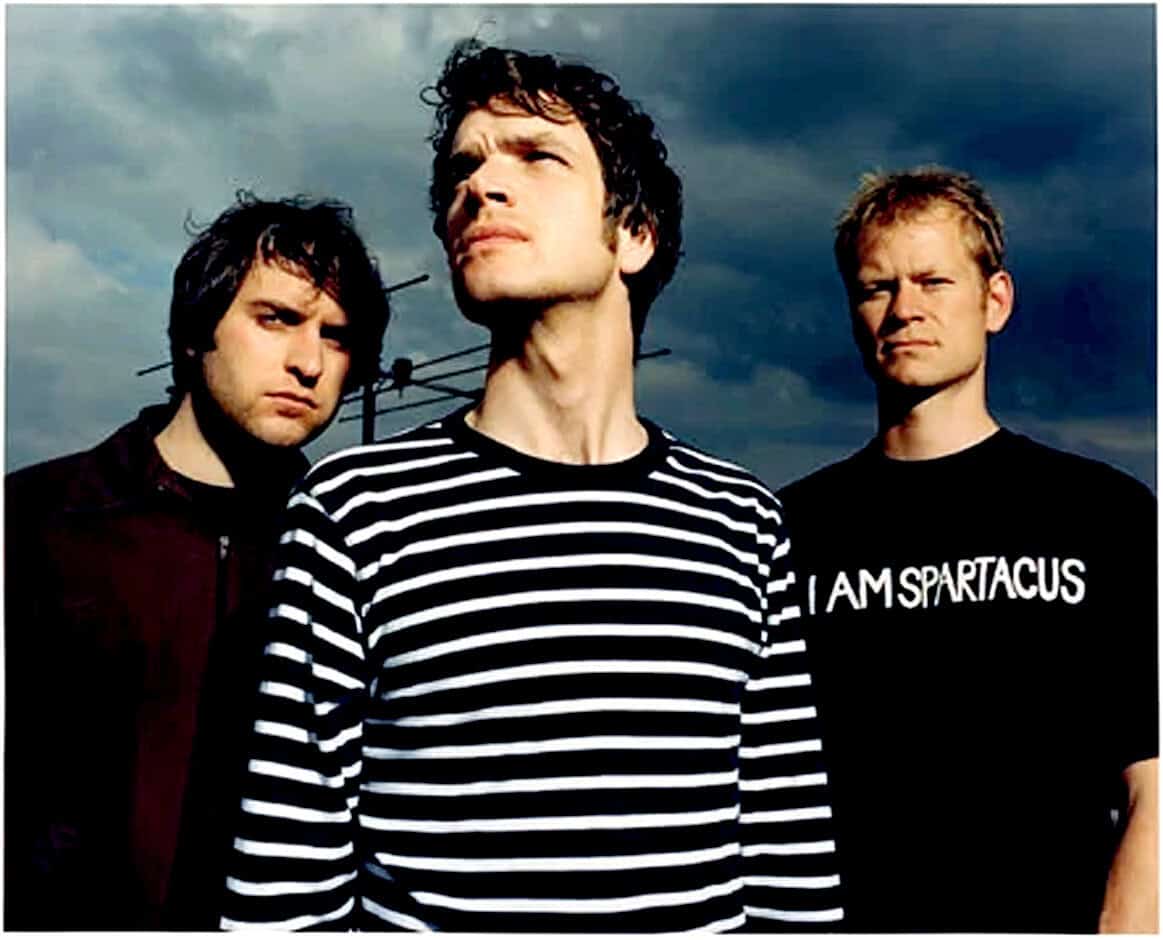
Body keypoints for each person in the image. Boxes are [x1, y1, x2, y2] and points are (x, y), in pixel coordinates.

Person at [220, 41, 843, 932]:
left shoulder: (741, 520)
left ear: (633, 233)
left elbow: (790, 871)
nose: (480, 186)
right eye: (463, 168)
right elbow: (287, 889)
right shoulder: (353, 511)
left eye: (535, 156)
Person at [778, 167, 1158, 932]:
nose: (903, 309)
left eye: (932, 281)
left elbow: (1151, 781)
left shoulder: (1100, 514)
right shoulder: (789, 528)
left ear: (995, 301)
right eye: (875, 287)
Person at [4, 193, 391, 929]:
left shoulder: (354, 552)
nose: (307, 362)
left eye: (336, 338)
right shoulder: (30, 520)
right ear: (193, 334)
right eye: (275, 319)